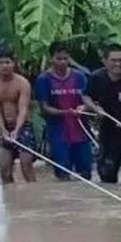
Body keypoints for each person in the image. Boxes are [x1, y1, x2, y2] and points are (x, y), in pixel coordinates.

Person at [82, 44, 121, 185]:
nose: (118, 64)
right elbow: (86, 96)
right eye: (114, 60)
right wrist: (94, 108)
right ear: (105, 61)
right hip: (108, 131)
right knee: (107, 177)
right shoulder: (96, 78)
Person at [34, 42, 92, 180]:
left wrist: (84, 108)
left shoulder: (80, 77)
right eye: (58, 58)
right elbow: (44, 107)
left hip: (81, 131)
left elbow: (88, 100)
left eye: (65, 59)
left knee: (86, 173)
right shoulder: (43, 79)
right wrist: (65, 112)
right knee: (63, 174)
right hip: (58, 132)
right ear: (51, 59)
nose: (62, 62)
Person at [0, 46, 35, 184]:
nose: (5, 66)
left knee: (26, 165)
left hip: (23, 127)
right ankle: (10, 202)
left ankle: (34, 198)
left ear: (13, 63)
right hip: (5, 128)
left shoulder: (22, 83)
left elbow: (23, 109)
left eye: (8, 62)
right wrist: (3, 130)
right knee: (4, 169)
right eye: (1, 63)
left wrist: (16, 130)